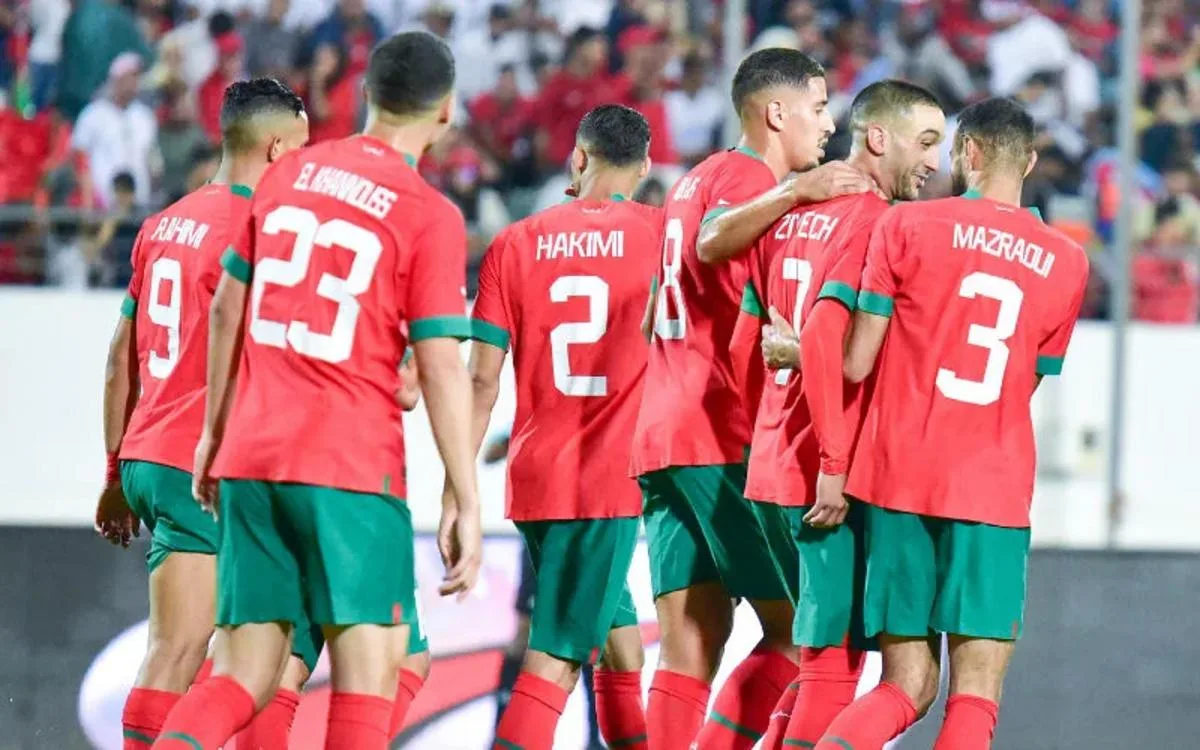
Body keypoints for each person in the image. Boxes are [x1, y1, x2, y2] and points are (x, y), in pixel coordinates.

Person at [151, 32, 483, 750]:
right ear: (447, 110)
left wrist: (212, 435)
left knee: (240, 676)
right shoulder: (429, 213)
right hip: (349, 466)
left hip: (252, 455)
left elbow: (226, 310)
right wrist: (466, 494)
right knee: (373, 678)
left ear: (364, 94)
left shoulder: (289, 174)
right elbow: (441, 366)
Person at [813, 97, 1090, 750]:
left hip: (895, 480)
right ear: (1030, 162)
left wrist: (801, 350)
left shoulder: (906, 225)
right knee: (974, 696)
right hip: (989, 488)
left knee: (904, 686)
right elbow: (1023, 382)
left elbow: (855, 362)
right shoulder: (1067, 261)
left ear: (968, 152)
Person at [628, 47, 870, 750]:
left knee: (689, 644)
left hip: (662, 433)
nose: (829, 125)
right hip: (717, 432)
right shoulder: (748, 178)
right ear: (777, 113)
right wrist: (795, 192)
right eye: (819, 108)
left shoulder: (690, 180)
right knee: (799, 634)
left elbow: (652, 312)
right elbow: (711, 243)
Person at [94, 78, 310, 749]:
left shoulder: (163, 224)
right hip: (205, 466)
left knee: (186, 651)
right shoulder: (261, 231)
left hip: (146, 455)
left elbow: (119, 357)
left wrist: (113, 473)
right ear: (274, 147)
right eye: (301, 151)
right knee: (230, 655)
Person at [736, 80, 946, 749]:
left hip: (772, 460)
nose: (934, 161)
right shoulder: (874, 220)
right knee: (833, 667)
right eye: (926, 142)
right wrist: (832, 461)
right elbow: (828, 337)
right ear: (878, 137)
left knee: (810, 663)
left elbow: (745, 340)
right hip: (820, 472)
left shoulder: (789, 211)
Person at [467, 104, 659, 750]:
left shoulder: (515, 242)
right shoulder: (662, 237)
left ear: (578, 158)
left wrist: (459, 488)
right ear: (645, 167)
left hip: (535, 477)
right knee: (555, 657)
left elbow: (481, 379)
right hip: (603, 483)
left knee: (622, 649)